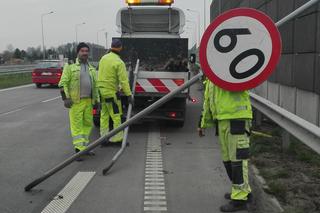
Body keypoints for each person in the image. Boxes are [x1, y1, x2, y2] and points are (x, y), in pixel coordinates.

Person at [198, 80, 253, 212]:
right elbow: (208, 101)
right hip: (222, 120)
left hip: (237, 118)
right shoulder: (212, 78)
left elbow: (244, 81)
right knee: (228, 161)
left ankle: (240, 199)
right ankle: (243, 191)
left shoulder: (227, 71)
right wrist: (202, 123)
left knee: (237, 161)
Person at [58, 42, 99, 160]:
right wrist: (65, 98)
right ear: (78, 53)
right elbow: (62, 83)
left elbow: (95, 86)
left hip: (89, 102)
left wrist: (97, 100)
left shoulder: (91, 68)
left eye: (86, 51)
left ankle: (84, 147)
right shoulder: (70, 66)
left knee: (88, 125)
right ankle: (78, 150)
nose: (85, 53)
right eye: (82, 51)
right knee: (77, 126)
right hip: (76, 102)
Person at [97, 39, 133, 146]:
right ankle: (117, 139)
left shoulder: (103, 58)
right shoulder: (119, 62)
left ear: (111, 46)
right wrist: (129, 95)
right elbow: (124, 80)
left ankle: (103, 138)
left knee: (104, 116)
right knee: (116, 116)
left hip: (101, 92)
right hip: (111, 93)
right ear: (120, 48)